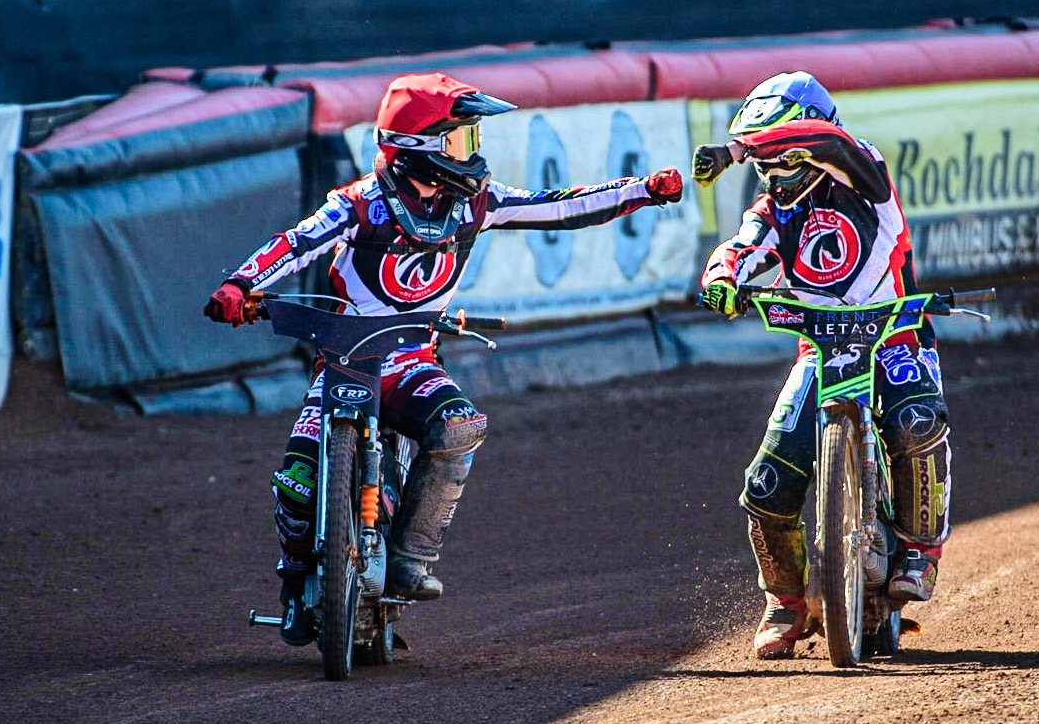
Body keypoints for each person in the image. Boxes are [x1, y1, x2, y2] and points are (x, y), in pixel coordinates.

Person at [204, 72, 684, 646]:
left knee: (462, 425)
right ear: (418, 147)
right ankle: (293, 581)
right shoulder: (360, 204)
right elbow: (295, 241)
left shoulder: (476, 203)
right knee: (298, 484)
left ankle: (410, 557)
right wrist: (239, 285)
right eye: (459, 142)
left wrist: (642, 190)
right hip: (345, 361)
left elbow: (557, 208)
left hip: (411, 363)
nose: (470, 154)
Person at [691, 71, 951, 659]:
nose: (776, 175)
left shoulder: (866, 178)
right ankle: (785, 599)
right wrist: (721, 280)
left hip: (896, 339)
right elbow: (739, 248)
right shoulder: (773, 211)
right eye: (765, 164)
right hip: (821, 352)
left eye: (783, 157)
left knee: (917, 421)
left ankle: (919, 550)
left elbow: (827, 144)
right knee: (767, 482)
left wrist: (736, 147)